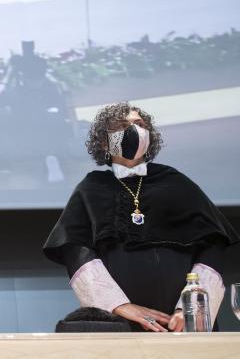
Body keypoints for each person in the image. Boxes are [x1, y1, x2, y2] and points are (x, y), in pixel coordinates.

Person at [43, 102, 239, 332]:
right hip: (121, 323)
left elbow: (213, 243)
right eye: (122, 126)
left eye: (139, 124)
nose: (133, 131)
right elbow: (76, 250)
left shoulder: (175, 182)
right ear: (104, 141)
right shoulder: (91, 188)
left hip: (184, 322)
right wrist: (119, 305)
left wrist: (191, 308)